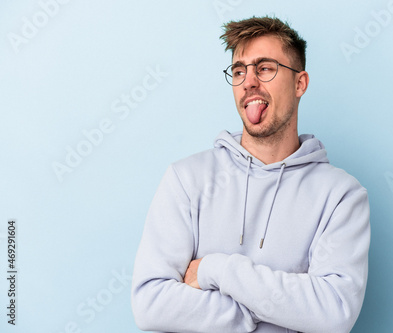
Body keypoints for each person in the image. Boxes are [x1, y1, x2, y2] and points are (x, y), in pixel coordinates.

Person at [131, 16, 370, 333]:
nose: (249, 82)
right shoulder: (187, 179)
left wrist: (216, 270)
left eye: (265, 68)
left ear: (300, 83)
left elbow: (334, 312)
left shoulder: (341, 196)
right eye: (240, 71)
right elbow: (150, 305)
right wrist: (258, 313)